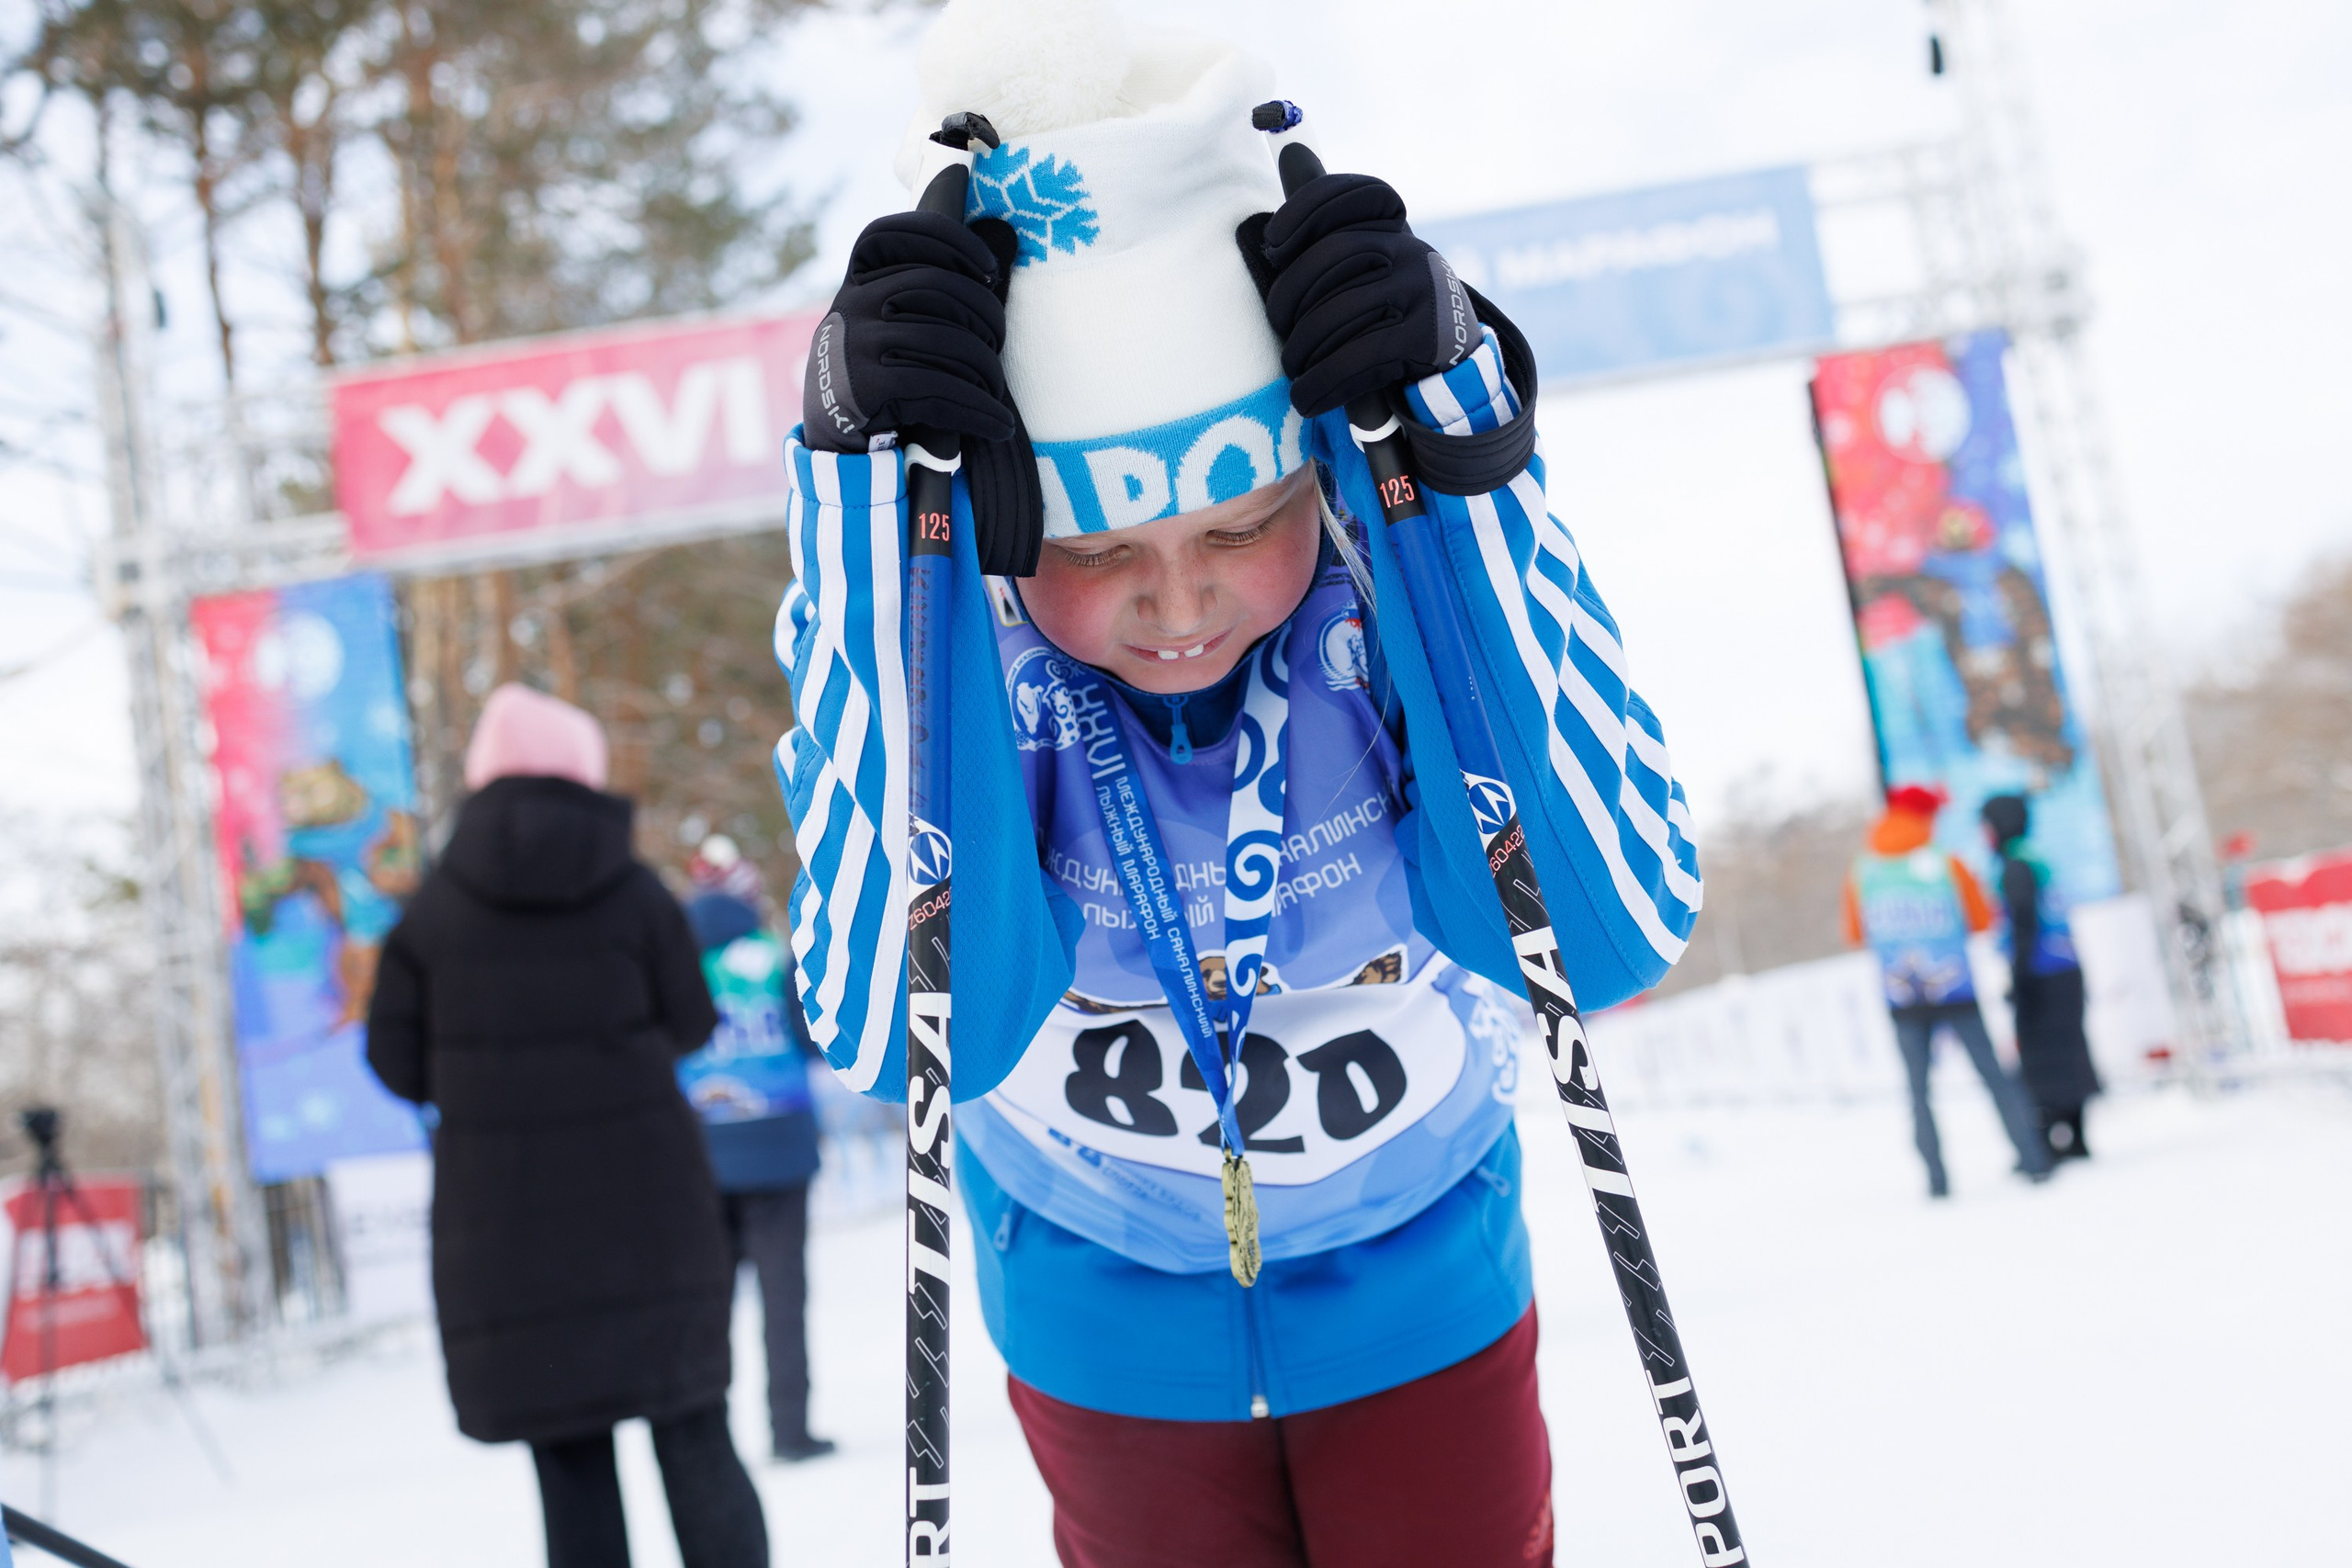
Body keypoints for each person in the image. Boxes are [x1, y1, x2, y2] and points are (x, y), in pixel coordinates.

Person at [773, 5, 1702, 1562]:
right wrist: (870, 531)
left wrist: (1454, 455)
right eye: (1101, 551)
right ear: (1011, 532)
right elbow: (898, 1026)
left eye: (1231, 525)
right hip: (1097, 1293)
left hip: (1417, 1267)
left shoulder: (1372, 573)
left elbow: (1610, 923)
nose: (1182, 602)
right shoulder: (965, 643)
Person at [365, 683, 768, 1568]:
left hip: (507, 1230)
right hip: (650, 1214)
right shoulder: (635, 893)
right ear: (580, 770)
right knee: (696, 1435)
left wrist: (484, 1089)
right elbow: (694, 1021)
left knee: (571, 1462)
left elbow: (395, 1063)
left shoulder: (431, 913)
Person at [679, 839, 836, 1461]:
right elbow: (814, 1040)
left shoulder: (677, 967)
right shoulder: (776, 958)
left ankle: (705, 1441)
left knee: (706, 1306)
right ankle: (790, 1430)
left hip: (702, 1155)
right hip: (780, 1150)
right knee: (784, 1299)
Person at [1843, 783, 2052, 1197]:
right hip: (1956, 989)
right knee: (1994, 1077)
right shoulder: (1947, 863)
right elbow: (1981, 919)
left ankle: (1937, 1181)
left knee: (1918, 1092)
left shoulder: (1862, 871)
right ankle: (2034, 1160)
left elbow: (1854, 933)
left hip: (1901, 996)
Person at [1982, 794, 2099, 1159]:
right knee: (2070, 1052)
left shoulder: (2015, 865)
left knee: (2041, 1059)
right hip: (2064, 969)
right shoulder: (2034, 856)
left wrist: (2018, 979)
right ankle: (2076, 1136)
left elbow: (2023, 926)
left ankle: (2053, 1142)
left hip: (2041, 975)